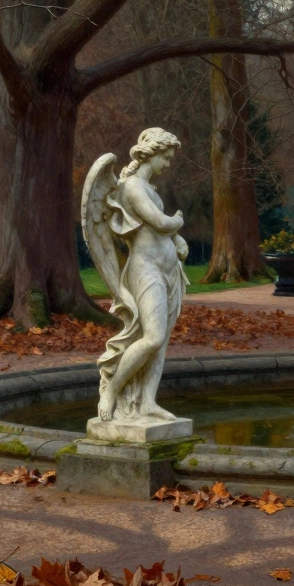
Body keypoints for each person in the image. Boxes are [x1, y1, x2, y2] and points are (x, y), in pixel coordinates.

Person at [95, 128, 188, 422]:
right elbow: (159, 223)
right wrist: (177, 222)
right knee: (152, 337)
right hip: (146, 269)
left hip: (169, 271)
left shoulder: (150, 189)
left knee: (162, 341)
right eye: (166, 157)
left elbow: (156, 231)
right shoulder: (133, 186)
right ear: (152, 153)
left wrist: (177, 241)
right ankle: (112, 390)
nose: (168, 163)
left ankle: (147, 401)